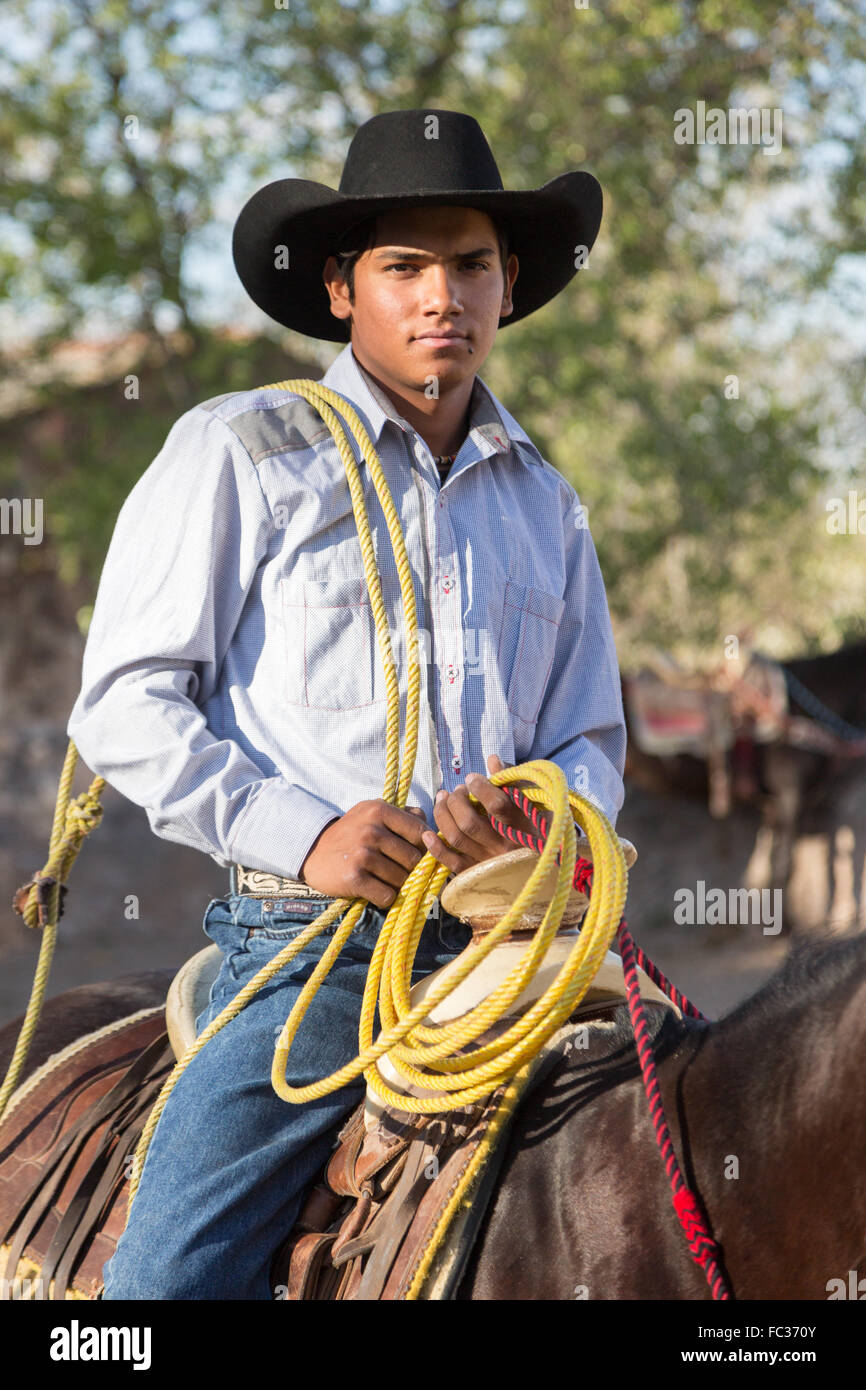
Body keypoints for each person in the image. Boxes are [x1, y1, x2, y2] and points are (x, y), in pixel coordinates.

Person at [67, 108, 627, 1299]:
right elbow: (123, 704)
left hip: (508, 944)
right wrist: (305, 832)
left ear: (508, 281)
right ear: (339, 288)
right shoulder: (240, 451)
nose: (443, 296)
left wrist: (541, 823)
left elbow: (586, 735)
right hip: (313, 955)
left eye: (470, 264)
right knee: (166, 1288)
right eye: (403, 267)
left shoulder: (548, 505)